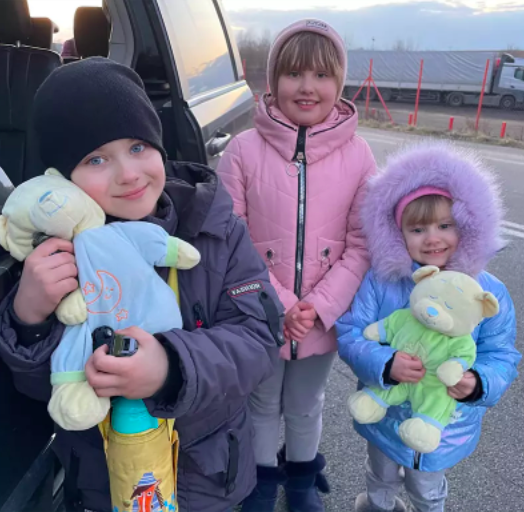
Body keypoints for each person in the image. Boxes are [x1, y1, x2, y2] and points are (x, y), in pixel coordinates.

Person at [0, 57, 284, 512]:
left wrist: (172, 367)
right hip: (104, 482)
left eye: (137, 147)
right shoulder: (52, 255)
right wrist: (28, 317)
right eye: (96, 159)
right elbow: (39, 391)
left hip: (209, 479)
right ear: (61, 180)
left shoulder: (213, 229)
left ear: (159, 146)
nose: (128, 174)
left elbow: (260, 341)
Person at [217, 18, 376, 512]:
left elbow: (363, 244)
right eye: (294, 74)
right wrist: (281, 304)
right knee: (262, 403)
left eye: (322, 76)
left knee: (306, 404)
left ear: (339, 84)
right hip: (259, 312)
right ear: (273, 81)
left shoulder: (359, 155)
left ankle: (302, 484)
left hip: (322, 319)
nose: (307, 87)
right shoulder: (242, 151)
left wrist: (318, 306)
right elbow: (230, 239)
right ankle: (262, 485)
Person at [336, 142, 521, 512]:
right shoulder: (382, 281)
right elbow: (352, 332)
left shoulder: (487, 292)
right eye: (418, 228)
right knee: (381, 475)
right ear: (397, 233)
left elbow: (501, 353)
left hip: (445, 422)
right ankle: (376, 506)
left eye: (445, 225)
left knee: (428, 488)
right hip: (385, 415)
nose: (432, 238)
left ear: (466, 227)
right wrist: (385, 363)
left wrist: (478, 382)